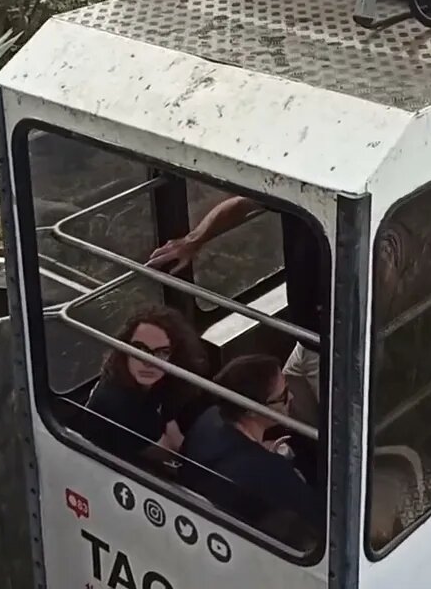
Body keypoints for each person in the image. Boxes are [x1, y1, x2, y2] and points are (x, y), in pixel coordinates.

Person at [149, 197, 325, 419]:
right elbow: (242, 204)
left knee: (328, 423)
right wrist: (194, 240)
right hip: (306, 339)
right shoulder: (303, 192)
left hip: (327, 345)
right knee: (292, 413)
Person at [178, 354, 324, 537]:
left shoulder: (209, 417)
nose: (292, 397)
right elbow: (319, 520)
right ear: (251, 410)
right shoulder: (271, 473)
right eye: (283, 396)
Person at [82, 305, 212, 468]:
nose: (148, 362)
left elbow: (172, 426)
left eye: (162, 352)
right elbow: (163, 456)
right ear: (125, 349)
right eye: (140, 349)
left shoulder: (162, 381)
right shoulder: (118, 402)